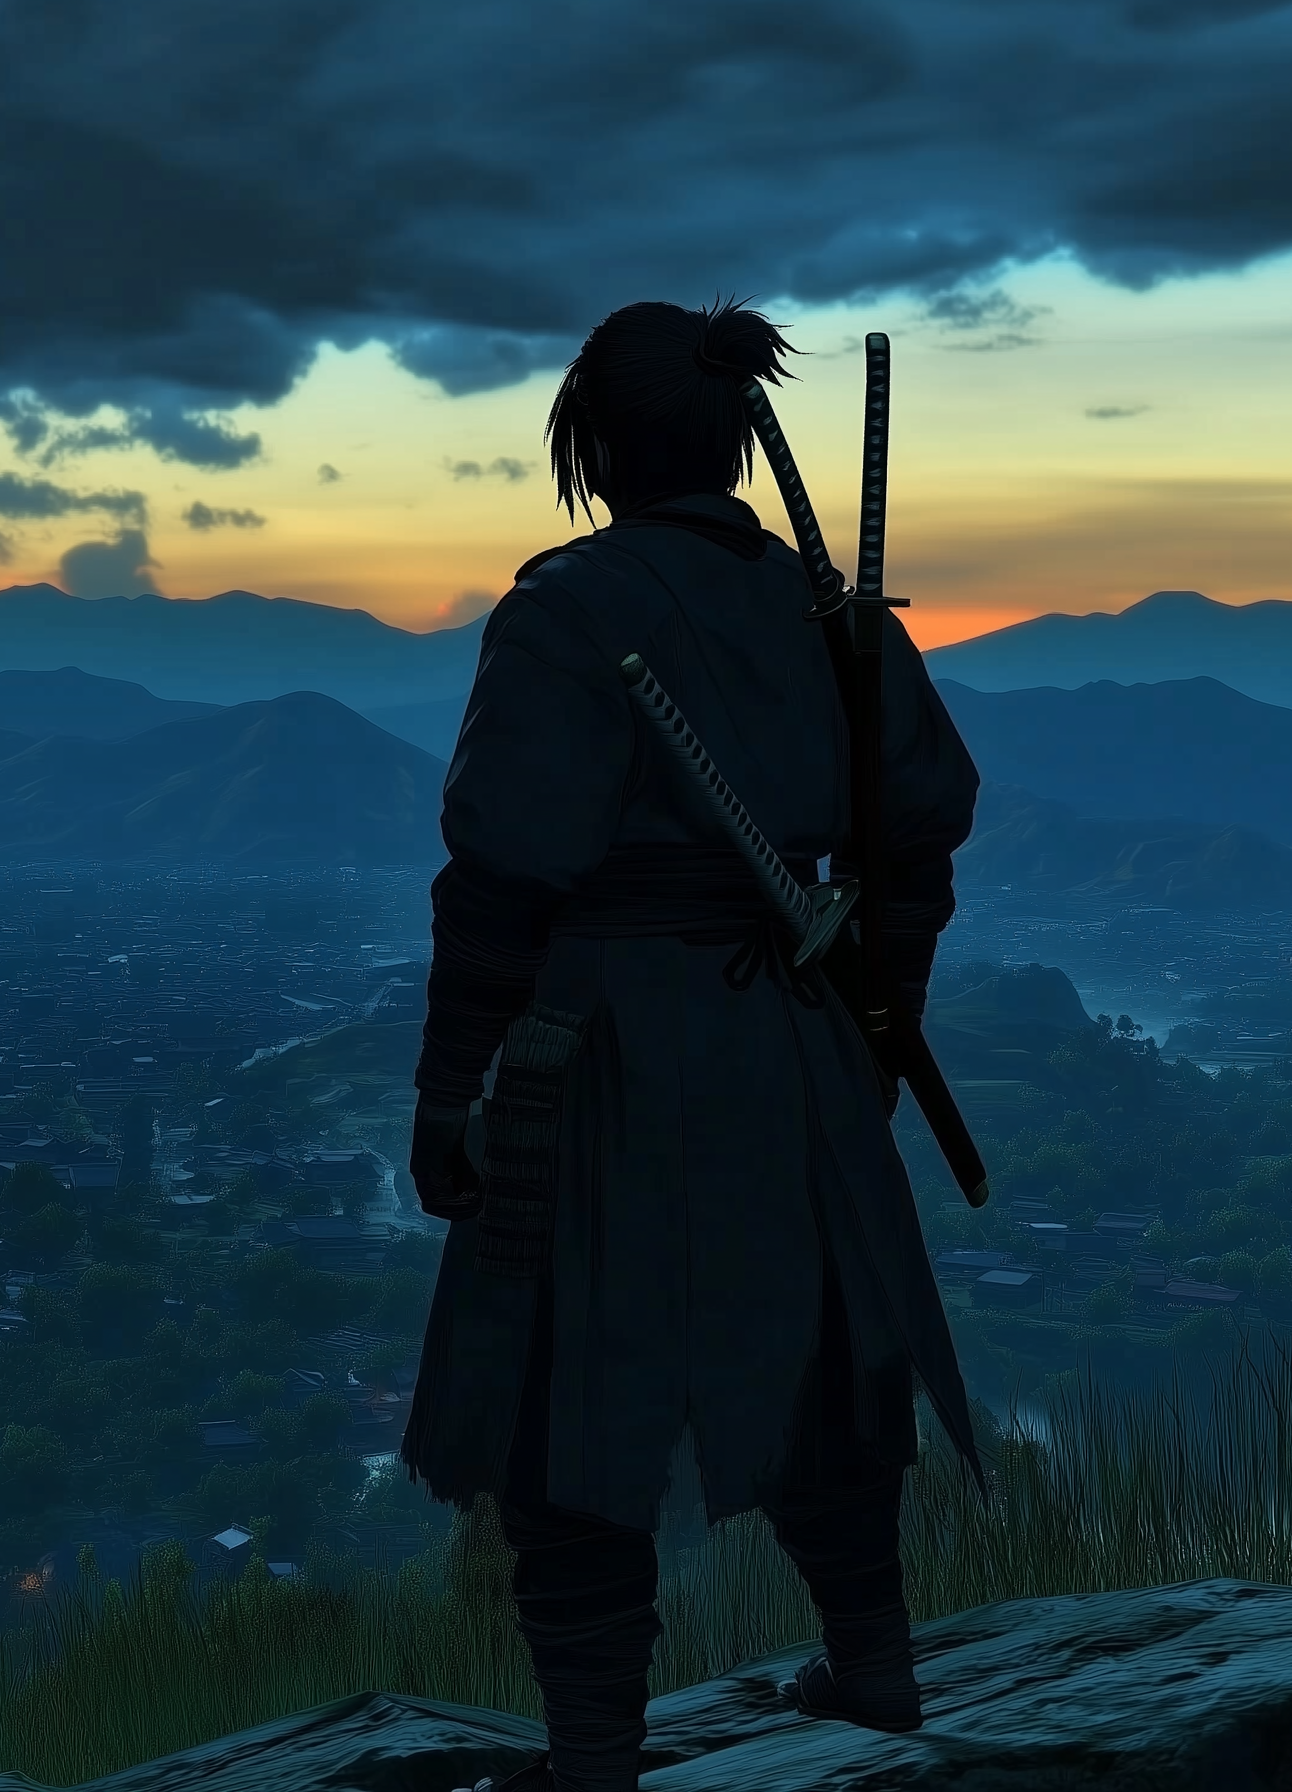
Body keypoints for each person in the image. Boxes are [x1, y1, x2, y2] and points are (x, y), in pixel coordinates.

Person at [400, 299, 987, 1792]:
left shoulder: (572, 607)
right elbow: (915, 842)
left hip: (600, 1049)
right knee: (826, 1363)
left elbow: (500, 877)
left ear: (591, 443)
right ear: (733, 433)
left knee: (572, 1402)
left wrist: (447, 1089)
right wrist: (868, 1019)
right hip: (790, 1037)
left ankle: (596, 1754)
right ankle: (878, 1664)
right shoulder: (823, 612)